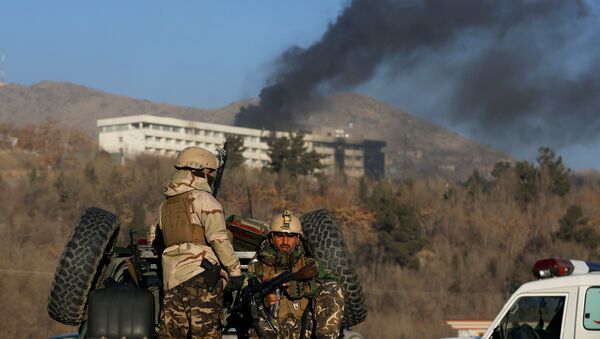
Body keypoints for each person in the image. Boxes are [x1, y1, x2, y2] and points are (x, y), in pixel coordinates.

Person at [153, 146, 243, 339]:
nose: (211, 175)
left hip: (172, 280)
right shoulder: (204, 199)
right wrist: (235, 272)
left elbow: (156, 239)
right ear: (201, 171)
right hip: (201, 277)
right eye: (210, 171)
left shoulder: (165, 205)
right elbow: (219, 239)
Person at [244, 210, 345, 339]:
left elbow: (334, 281)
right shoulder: (257, 265)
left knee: (332, 287)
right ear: (271, 237)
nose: (285, 241)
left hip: (303, 327)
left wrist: (304, 289)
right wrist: (263, 300)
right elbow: (244, 295)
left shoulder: (308, 263)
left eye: (290, 236)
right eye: (280, 235)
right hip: (269, 327)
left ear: (297, 239)